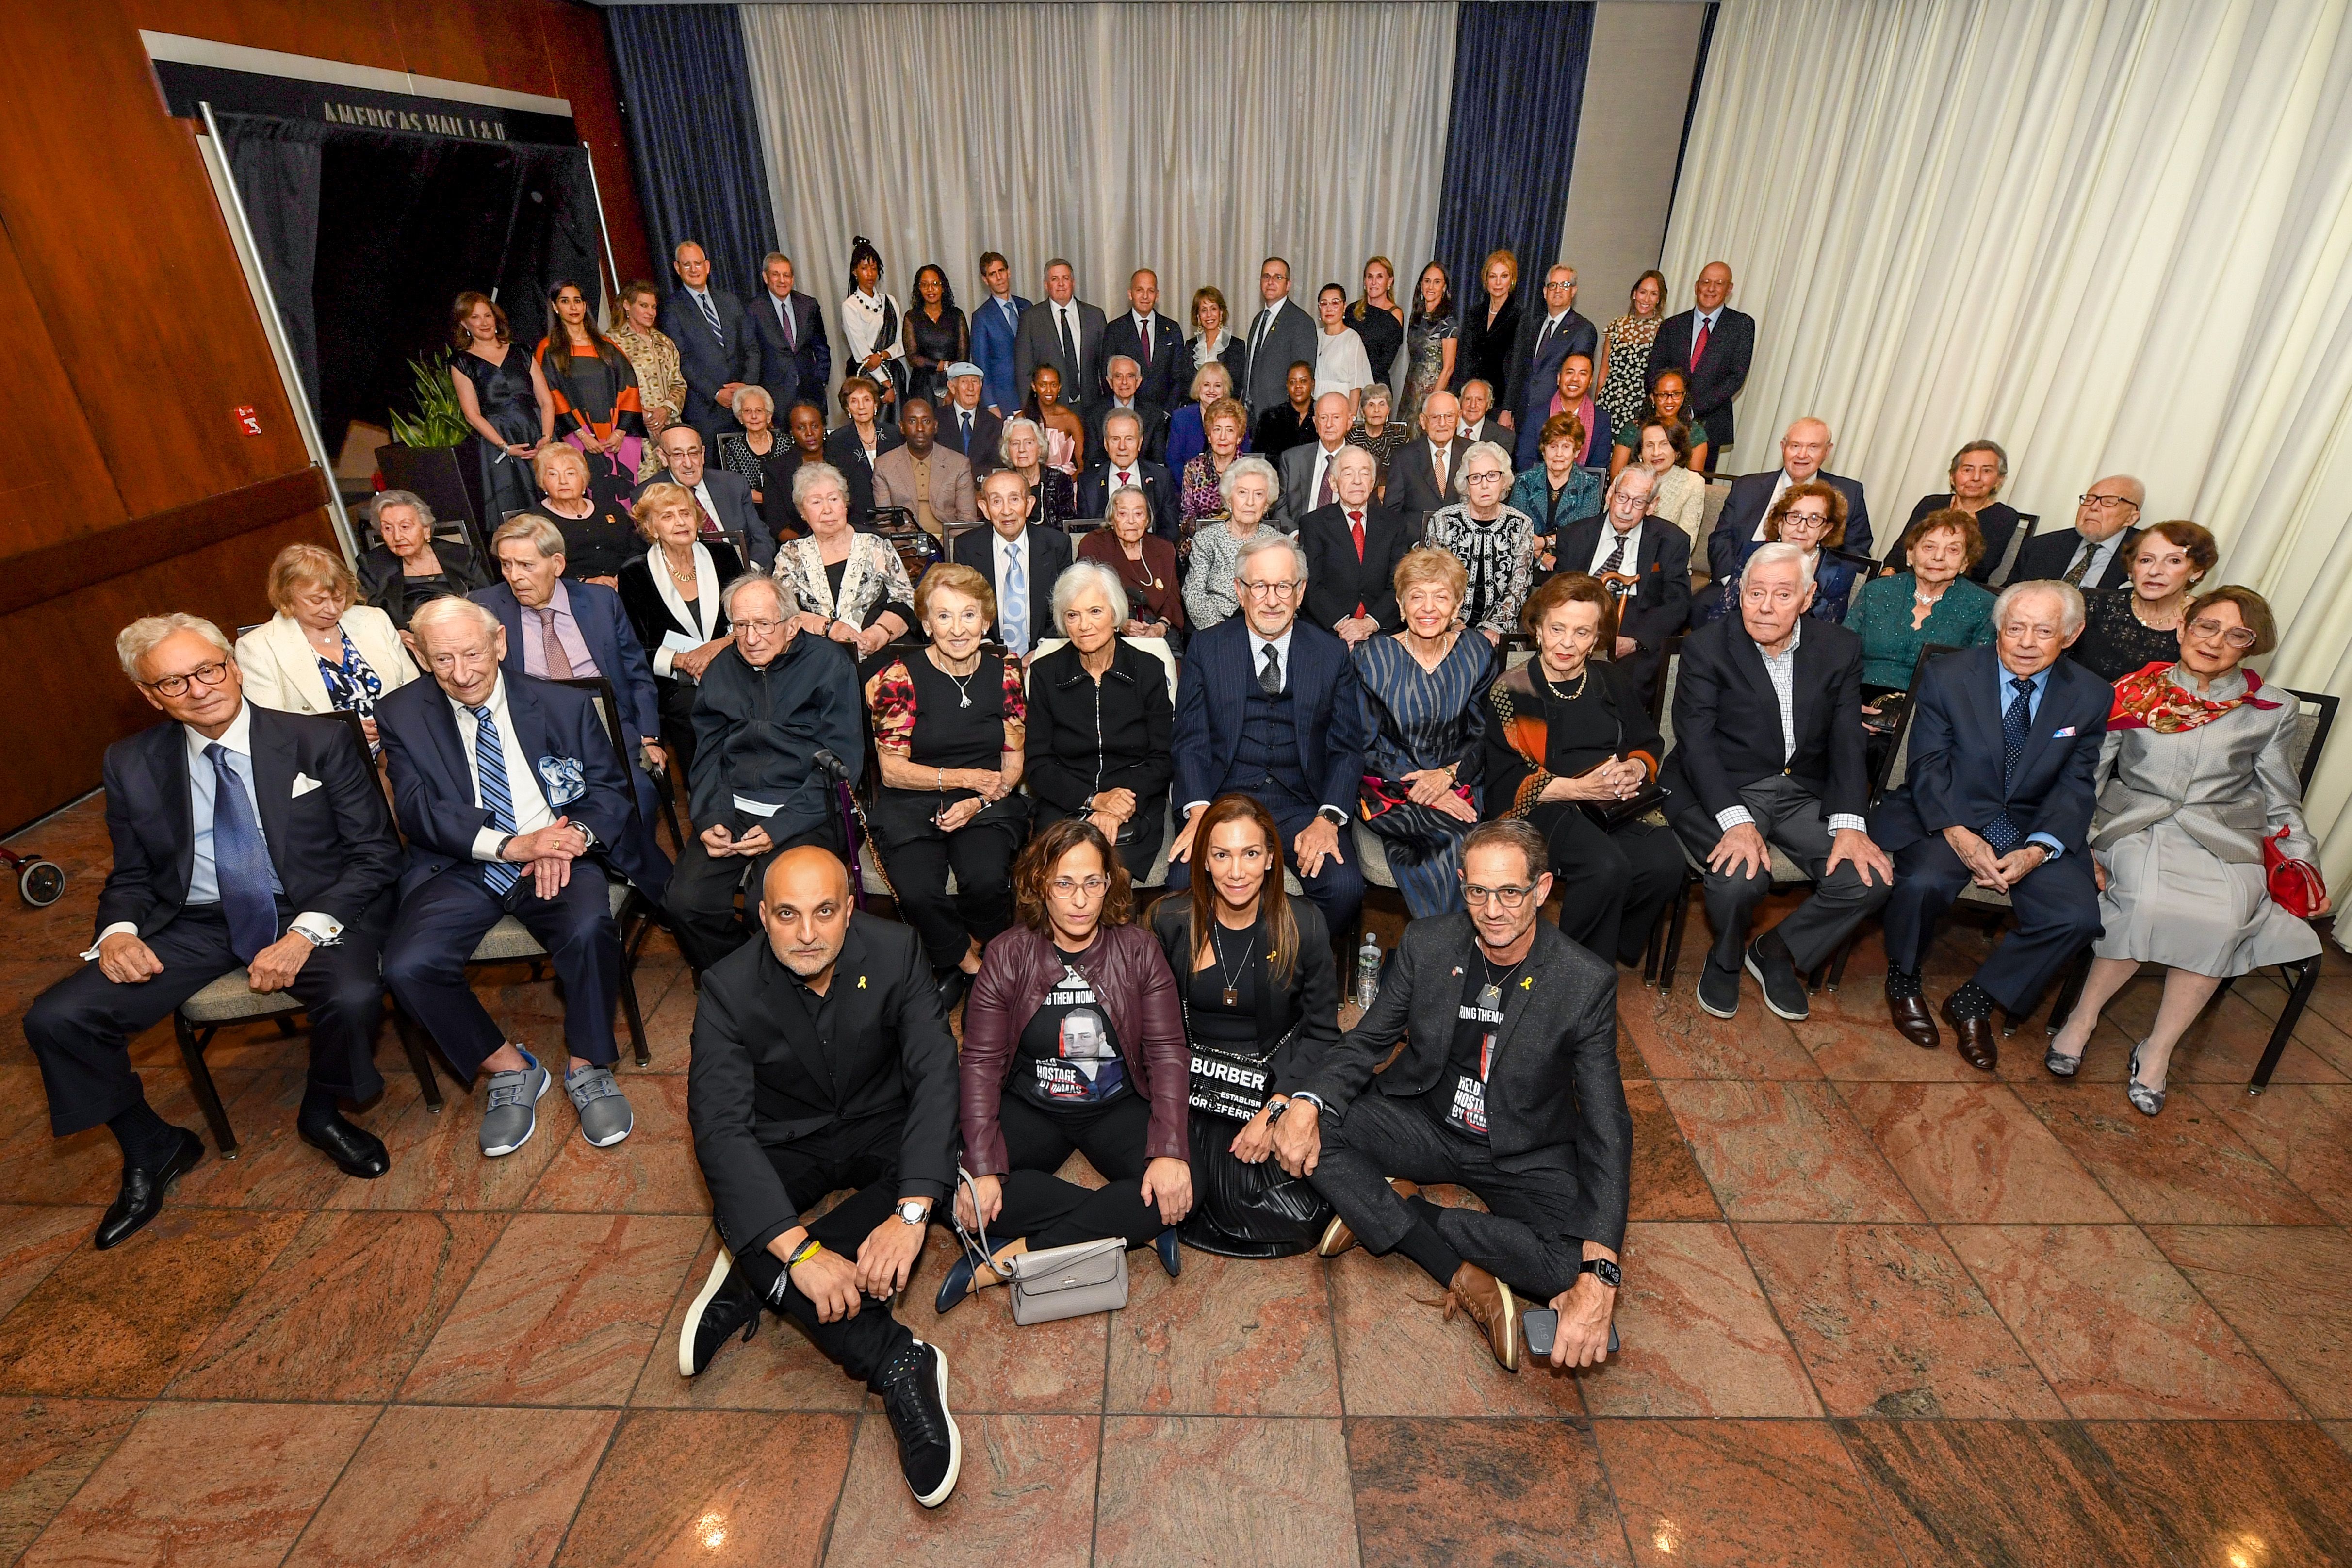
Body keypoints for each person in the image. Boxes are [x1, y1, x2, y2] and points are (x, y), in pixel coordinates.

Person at [24, 615, 403, 1248]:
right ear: (151, 696)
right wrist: (117, 931)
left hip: (309, 908)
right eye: (175, 682)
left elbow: (375, 854)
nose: (200, 689)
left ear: (232, 665)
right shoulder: (132, 762)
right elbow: (135, 872)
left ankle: (322, 1110)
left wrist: (304, 935)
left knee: (354, 994)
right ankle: (152, 1146)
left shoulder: (317, 741)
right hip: (195, 920)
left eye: (208, 669)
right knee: (57, 1018)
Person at [1278, 818, 1630, 1373]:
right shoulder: (1427, 942)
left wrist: (1603, 1268)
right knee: (1314, 1128)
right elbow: (1369, 1040)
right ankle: (1455, 1267)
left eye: (1511, 892)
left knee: (1569, 1265)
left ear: (1541, 890)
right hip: (1427, 1120)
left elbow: (1608, 1124)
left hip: (1521, 1149)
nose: (1493, 910)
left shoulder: (1581, 981)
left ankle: (1399, 1210)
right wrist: (1305, 1102)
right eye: (1478, 891)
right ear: (1462, 884)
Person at [679, 846, 961, 1507]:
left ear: (850, 910)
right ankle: (898, 1361)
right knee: (742, 1196)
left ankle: (755, 1275)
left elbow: (935, 1079)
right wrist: (801, 1251)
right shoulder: (725, 986)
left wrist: (912, 1215)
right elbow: (720, 1132)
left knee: (941, 1166)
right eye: (787, 915)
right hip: (787, 1143)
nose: (807, 934)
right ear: (761, 918)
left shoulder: (898, 952)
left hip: (876, 1128)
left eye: (825, 912)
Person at [379, 596, 672, 1158]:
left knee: (588, 929)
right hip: (464, 862)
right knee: (407, 965)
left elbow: (611, 792)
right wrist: (512, 845)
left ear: (500, 645)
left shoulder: (560, 703)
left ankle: (588, 1062)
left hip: (557, 852)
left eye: (471, 654)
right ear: (421, 658)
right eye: (442, 661)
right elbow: (416, 811)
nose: (461, 674)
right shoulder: (402, 713)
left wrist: (570, 839)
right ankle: (509, 1068)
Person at [2051, 588, 2326, 1111]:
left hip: (2224, 836)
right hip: (2136, 823)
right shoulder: (2132, 692)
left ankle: (2157, 1050)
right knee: (2145, 902)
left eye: (2236, 634)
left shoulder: (2271, 708)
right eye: (2206, 626)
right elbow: (2086, 776)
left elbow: (2279, 796)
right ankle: (2081, 1019)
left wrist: (2304, 864)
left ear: (2251, 646)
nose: (2216, 641)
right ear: (2182, 629)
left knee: (2223, 920)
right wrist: (2079, 841)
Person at [937, 818, 1191, 1307]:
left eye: (1093, 883)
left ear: (1108, 885)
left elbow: (1167, 1054)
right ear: (1040, 886)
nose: (1080, 900)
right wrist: (985, 1168)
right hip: (1033, 1104)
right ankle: (1135, 1226)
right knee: (953, 1178)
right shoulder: (1007, 954)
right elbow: (983, 1063)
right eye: (1065, 884)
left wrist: (1168, 1151)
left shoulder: (1139, 950)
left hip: (1116, 1103)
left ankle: (1004, 1262)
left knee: (1186, 1176)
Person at [1872, 581, 2110, 1070]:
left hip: (2034, 824)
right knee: (1923, 881)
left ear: (2070, 635)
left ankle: (1977, 998)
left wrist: (2040, 850)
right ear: (1999, 629)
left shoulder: (2090, 695)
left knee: (2078, 918)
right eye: (2015, 628)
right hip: (1953, 809)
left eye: (2043, 631)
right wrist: (1957, 832)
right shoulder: (1950, 674)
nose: (2025, 642)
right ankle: (1904, 976)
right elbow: (1928, 765)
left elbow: (2076, 784)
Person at [1662, 543, 1894, 1021]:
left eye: (1782, 594)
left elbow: (1848, 740)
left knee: (1867, 879)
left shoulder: (1839, 648)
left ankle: (1777, 950)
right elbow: (1697, 744)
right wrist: (1738, 822)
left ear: (1808, 597)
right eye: (1756, 593)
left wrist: (1852, 822)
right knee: (1740, 877)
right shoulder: (1707, 647)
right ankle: (1724, 958)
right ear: (1740, 594)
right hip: (1721, 785)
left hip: (1803, 789)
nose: (1766, 606)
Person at [1149, 793, 1339, 1257]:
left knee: (1306, 1194)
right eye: (1222, 854)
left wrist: (1277, 1109)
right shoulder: (1170, 920)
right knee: (1179, 1189)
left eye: (1251, 854)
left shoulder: (1306, 925)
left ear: (1272, 859)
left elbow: (1321, 1035)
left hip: (1274, 1078)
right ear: (1204, 860)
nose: (1237, 872)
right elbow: (1154, 1033)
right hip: (1193, 1082)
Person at [1169, 535, 1372, 935]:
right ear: (1240, 592)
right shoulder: (1206, 649)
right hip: (1223, 801)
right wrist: (1197, 814)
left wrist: (1328, 818)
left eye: (1284, 586)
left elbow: (1347, 749)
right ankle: (1224, 977)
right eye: (1260, 586)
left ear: (1301, 592)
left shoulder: (1331, 654)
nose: (1272, 599)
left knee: (1344, 887)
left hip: (1301, 805)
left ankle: (1286, 975)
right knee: (1182, 883)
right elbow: (1189, 741)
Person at [665, 575, 864, 973]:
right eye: (741, 626)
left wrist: (781, 827)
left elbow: (842, 763)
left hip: (806, 812)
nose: (751, 637)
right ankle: (740, 981)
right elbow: (707, 757)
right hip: (735, 809)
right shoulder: (722, 669)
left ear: (792, 626)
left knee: (773, 903)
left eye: (763, 624)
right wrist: (712, 819)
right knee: (685, 902)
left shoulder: (829, 665)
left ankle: (779, 990)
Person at [1485, 575, 1685, 966]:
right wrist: (1580, 790)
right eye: (1557, 628)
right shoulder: (1513, 690)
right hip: (1547, 803)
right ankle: (1574, 972)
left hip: (1613, 800)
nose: (1567, 643)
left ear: (1595, 640)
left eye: (1581, 632)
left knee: (1666, 864)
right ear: (1539, 630)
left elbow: (1648, 742)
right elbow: (1503, 782)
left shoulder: (1611, 679)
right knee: (1605, 867)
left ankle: (1613, 950)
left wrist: (1635, 767)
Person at [862, 563, 1029, 1000]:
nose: (958, 629)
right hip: (913, 796)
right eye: (944, 616)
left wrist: (977, 799)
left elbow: (1012, 763)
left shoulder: (1007, 672)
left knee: (987, 878)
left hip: (987, 798)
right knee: (917, 888)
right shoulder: (897, 679)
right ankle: (974, 966)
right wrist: (962, 777)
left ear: (987, 621)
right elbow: (892, 769)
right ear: (926, 623)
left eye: (969, 615)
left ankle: (962, 955)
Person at [471, 514, 666, 828]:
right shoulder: (485, 607)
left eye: (526, 565)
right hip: (533, 726)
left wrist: (649, 736)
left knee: (639, 798)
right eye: (507, 565)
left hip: (605, 719)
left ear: (557, 564)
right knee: (548, 809)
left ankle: (627, 870)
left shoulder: (601, 602)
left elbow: (636, 673)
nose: (514, 577)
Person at [1354, 549, 1496, 917]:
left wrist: (1448, 776)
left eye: (1441, 596)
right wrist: (1423, 790)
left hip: (1460, 780)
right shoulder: (1372, 657)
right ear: (1401, 605)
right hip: (1388, 787)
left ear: (1457, 605)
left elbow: (1485, 735)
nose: (1428, 608)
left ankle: (1446, 956)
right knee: (1456, 842)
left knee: (1480, 848)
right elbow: (1362, 744)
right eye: (1417, 596)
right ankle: (1442, 958)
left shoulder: (1477, 652)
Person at [1026, 562, 1174, 880]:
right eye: (1073, 615)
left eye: (1095, 611)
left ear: (1115, 614)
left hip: (1135, 800)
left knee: (1110, 883)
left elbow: (1162, 759)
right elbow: (1038, 765)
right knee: (1062, 878)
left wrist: (1119, 803)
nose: (1084, 626)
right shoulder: (1045, 673)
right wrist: (1095, 800)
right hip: (1065, 799)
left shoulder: (1148, 670)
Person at [615, 482, 742, 784]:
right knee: (693, 707)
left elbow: (752, 613)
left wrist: (722, 644)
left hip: (735, 660)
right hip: (678, 680)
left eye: (685, 513)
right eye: (668, 516)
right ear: (651, 527)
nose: (681, 522)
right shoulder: (635, 573)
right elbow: (634, 647)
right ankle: (706, 799)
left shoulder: (724, 556)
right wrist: (684, 660)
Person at [235, 544, 417, 744]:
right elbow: (272, 729)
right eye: (317, 600)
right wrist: (345, 733)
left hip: (400, 740)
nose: (332, 609)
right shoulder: (257, 648)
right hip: (329, 757)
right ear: (287, 596)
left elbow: (414, 691)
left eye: (338, 598)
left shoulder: (374, 620)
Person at [1550, 465, 1692, 708]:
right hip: (1578, 619)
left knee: (1627, 684)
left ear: (1652, 506)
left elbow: (1677, 603)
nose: (1626, 510)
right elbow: (1556, 592)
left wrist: (1636, 640)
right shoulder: (1574, 535)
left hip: (1637, 625)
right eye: (1622, 497)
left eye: (1638, 503)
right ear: (1610, 494)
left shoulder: (1672, 541)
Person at [1846, 508, 1997, 702]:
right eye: (1929, 547)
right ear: (1910, 555)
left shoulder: (1984, 606)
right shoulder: (1876, 592)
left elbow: (1976, 679)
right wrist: (1849, 707)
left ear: (1965, 562)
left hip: (1932, 711)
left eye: (1953, 550)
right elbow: (1843, 657)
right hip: (1858, 702)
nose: (1939, 557)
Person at [772, 463, 917, 655]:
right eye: (816, 502)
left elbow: (905, 598)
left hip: (881, 650)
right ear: (802, 512)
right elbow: (780, 612)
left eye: (833, 499)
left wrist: (879, 634)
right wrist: (828, 628)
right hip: (815, 656)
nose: (827, 510)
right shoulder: (791, 554)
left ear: (845, 504)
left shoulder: (876, 543)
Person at [1706, 417, 1874, 581]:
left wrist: (1813, 587)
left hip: (1807, 590)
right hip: (1740, 579)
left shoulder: (1849, 494)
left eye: (1813, 447)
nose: (1802, 455)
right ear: (1783, 447)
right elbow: (1720, 539)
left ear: (1827, 451)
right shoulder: (1747, 487)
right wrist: (1732, 582)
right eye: (1795, 446)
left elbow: (1857, 555)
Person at [1699, 481, 1864, 627]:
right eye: (1794, 516)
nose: (1801, 528)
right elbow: (1722, 613)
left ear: (1826, 530)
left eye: (1814, 519)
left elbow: (1827, 636)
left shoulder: (1839, 574)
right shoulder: (1753, 554)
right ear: (1780, 524)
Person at [536, 279, 649, 490]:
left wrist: (621, 432)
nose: (573, 307)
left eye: (577, 301)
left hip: (620, 438)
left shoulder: (607, 346)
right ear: (555, 307)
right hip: (579, 437)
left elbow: (630, 388)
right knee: (592, 494)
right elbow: (553, 395)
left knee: (628, 495)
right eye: (565, 301)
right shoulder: (548, 349)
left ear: (585, 305)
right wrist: (582, 435)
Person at [2072, 520, 2216, 682]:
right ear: (2131, 569)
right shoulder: (2092, 604)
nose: (2155, 571)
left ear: (2196, 572)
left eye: (2174, 561)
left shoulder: (2205, 625)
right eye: (2146, 560)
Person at [950, 469, 1073, 657]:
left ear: (1029, 504)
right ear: (984, 508)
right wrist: (988, 649)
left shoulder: (1056, 544)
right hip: (986, 657)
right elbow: (963, 609)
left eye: (1015, 499)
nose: (1007, 511)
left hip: (1047, 655)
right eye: (997, 501)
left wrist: (1043, 650)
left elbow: (1068, 606)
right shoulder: (967, 547)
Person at [449, 291, 550, 519]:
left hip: (537, 436)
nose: (484, 323)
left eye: (488, 316)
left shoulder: (522, 352)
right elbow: (472, 415)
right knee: (514, 512)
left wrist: (547, 438)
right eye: (475, 318)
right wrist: (505, 447)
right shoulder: (461, 362)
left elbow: (546, 401)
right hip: (498, 443)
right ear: (465, 323)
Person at [1421, 441, 1536, 641]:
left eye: (1492, 476)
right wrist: (1455, 623)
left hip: (1500, 633)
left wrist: (1494, 628)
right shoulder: (1442, 522)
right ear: (1466, 485)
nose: (1484, 485)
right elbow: (1434, 583)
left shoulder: (1521, 525)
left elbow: (1519, 587)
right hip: (1445, 628)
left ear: (1504, 481)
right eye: (1476, 478)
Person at [1643, 260, 1754, 462]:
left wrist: (1692, 410)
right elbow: (1654, 372)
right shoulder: (1672, 326)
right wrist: (1669, 408)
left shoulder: (1742, 326)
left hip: (1710, 424)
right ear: (1696, 287)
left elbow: (1736, 376)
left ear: (1729, 289)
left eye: (1719, 283)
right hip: (1664, 424)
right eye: (1706, 282)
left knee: (1700, 488)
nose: (1711, 289)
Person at [1300, 447, 1414, 644]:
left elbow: (1399, 584)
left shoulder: (1394, 524)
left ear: (1372, 483)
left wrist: (1368, 624)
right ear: (1334, 484)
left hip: (1381, 629)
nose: (1357, 481)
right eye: (1348, 473)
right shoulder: (1313, 524)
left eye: (1364, 473)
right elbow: (1311, 586)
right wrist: (1343, 625)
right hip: (1330, 629)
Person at [641, 424, 775, 571]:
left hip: (744, 573)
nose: (688, 464)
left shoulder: (733, 484)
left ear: (703, 453)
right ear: (663, 457)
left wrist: (750, 571)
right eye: (678, 455)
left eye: (694, 453)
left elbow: (762, 538)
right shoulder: (648, 495)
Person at [659, 240, 758, 438]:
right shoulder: (671, 309)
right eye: (687, 265)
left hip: (745, 405)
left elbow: (752, 348)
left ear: (708, 266)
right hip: (705, 410)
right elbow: (681, 359)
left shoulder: (730, 301)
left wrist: (746, 387)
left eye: (698, 263)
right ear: (677, 269)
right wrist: (716, 393)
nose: (694, 269)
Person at [1886, 440, 2021, 583]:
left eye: (1986, 471)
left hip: (1959, 590)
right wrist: (1887, 575)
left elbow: (1981, 569)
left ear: (1999, 480)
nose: (1976, 478)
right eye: (1968, 470)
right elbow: (1901, 550)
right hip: (1908, 581)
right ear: (1952, 477)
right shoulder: (1931, 504)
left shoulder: (2004, 517)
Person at [1183, 456, 1289, 631]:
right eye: (1242, 493)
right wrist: (1219, 629)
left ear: (1266, 504)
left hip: (1266, 626)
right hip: (1217, 626)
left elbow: (1286, 594)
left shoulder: (1277, 543)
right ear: (1229, 500)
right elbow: (1194, 593)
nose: (1250, 502)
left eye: (1259, 494)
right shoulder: (1207, 539)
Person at [359, 490, 489, 631]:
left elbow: (487, 603)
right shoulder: (372, 565)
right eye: (388, 528)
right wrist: (399, 636)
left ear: (426, 529)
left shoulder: (464, 556)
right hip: (409, 643)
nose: (397, 537)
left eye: (405, 527)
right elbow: (368, 619)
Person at [1080, 485, 1186, 646]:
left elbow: (1173, 598)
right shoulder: (1094, 545)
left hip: (1158, 632)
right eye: (1123, 514)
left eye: (1138, 513)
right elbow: (1086, 596)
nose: (1131, 521)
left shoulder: (1163, 548)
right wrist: (1119, 623)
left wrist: (1161, 627)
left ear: (1147, 519)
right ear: (1112, 518)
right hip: (1108, 631)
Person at [2009, 474, 2144, 592]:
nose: (2093, 507)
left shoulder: (2147, 554)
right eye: (2089, 500)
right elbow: (2008, 594)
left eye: (2109, 502)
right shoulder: (2040, 547)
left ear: (2131, 518)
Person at [1509, 265, 1597, 444]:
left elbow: (1576, 379)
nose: (1558, 290)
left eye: (1564, 285)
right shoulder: (1532, 325)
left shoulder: (1583, 329)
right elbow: (1518, 369)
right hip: (1522, 417)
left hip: (1556, 418)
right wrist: (1508, 410)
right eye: (1553, 285)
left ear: (1573, 291)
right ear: (1544, 292)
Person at [533, 442, 640, 586]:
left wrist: (623, 577)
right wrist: (585, 582)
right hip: (573, 593)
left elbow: (637, 547)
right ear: (542, 482)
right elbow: (537, 567)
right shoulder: (535, 521)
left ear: (584, 479)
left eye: (571, 473)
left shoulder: (612, 509)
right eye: (553, 474)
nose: (563, 481)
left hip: (626, 585)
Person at [873, 397, 978, 541]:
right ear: (902, 427)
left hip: (949, 544)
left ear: (935, 426)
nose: (920, 428)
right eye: (912, 421)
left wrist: (942, 547)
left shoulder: (959, 464)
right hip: (905, 545)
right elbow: (885, 523)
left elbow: (967, 520)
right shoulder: (884, 465)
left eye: (926, 421)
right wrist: (906, 549)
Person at [1508, 413, 1602, 568]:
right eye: (1553, 447)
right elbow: (1515, 528)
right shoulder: (1525, 481)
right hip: (1526, 559)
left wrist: (1545, 541)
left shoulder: (1588, 486)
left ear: (1577, 452)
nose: (1559, 454)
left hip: (1570, 562)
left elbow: (1584, 535)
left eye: (1566, 447)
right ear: (1544, 450)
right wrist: (1543, 557)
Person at [1014, 258, 1106, 415]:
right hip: (1050, 410)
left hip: (1093, 409)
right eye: (1055, 279)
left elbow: (1106, 366)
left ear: (1073, 283)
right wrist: (1031, 411)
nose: (1061, 284)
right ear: (1046, 285)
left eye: (1066, 278)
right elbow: (1024, 371)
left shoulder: (1095, 316)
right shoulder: (1031, 319)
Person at [715, 384, 799, 544]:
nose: (754, 416)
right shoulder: (734, 448)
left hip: (788, 512)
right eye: (747, 411)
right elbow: (740, 490)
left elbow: (795, 484)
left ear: (769, 416)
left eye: (759, 411)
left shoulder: (786, 442)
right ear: (740, 418)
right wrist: (774, 498)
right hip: (754, 514)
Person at [749, 252, 831, 416]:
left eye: (786, 275)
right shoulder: (753, 310)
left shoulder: (809, 305)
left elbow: (821, 348)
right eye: (776, 275)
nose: (782, 280)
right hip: (775, 398)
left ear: (792, 279)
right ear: (766, 277)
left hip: (811, 394)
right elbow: (752, 355)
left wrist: (821, 380)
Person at [1077, 408, 1176, 539]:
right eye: (1115, 439)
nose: (1122, 447)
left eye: (1129, 439)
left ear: (1140, 443)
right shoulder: (1088, 482)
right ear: (1106, 444)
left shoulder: (1162, 478)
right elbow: (1085, 535)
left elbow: (1170, 532)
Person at [1241, 256, 1320, 417]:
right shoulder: (1258, 320)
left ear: (1288, 285)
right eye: (1266, 277)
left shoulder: (1301, 322)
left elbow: (1303, 376)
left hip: (1282, 417)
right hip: (1252, 415)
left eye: (1278, 277)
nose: (1271, 282)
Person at [607, 279, 686, 439]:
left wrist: (665, 410)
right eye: (644, 306)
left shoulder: (664, 342)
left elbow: (679, 383)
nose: (651, 312)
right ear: (627, 305)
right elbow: (610, 388)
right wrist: (642, 413)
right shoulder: (613, 342)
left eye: (654, 307)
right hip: (635, 429)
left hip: (669, 424)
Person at [822, 376, 906, 525]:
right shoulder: (837, 441)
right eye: (854, 401)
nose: (861, 407)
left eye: (867, 400)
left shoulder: (895, 434)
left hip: (895, 513)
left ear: (875, 404)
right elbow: (836, 485)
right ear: (847, 408)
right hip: (857, 517)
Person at [1177, 396, 1252, 561]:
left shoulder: (1250, 471)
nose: (1223, 437)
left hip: (1241, 547)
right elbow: (1186, 519)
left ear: (1239, 437)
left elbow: (1256, 516)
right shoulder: (1193, 468)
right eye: (1217, 429)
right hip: (1200, 546)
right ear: (1209, 435)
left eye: (1230, 430)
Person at [839, 236, 908, 415]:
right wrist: (887, 385)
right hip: (867, 380)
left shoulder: (890, 301)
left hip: (893, 373)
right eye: (864, 268)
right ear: (855, 272)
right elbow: (863, 354)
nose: (870, 274)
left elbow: (902, 343)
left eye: (874, 268)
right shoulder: (850, 306)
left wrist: (883, 355)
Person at [1594, 269, 1666, 438]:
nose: (1646, 299)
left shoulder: (1665, 330)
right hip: (1609, 402)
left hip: (1640, 408)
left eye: (1653, 294)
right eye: (1643, 292)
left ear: (1659, 299)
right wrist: (1598, 407)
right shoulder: (1616, 326)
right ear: (1635, 294)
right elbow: (1604, 370)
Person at [1099, 268, 1184, 410]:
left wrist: (1168, 413)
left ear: (1157, 296)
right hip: (1126, 415)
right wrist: (1122, 410)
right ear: (1130, 294)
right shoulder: (1115, 329)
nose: (1145, 296)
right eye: (1140, 290)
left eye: (1151, 291)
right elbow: (1107, 376)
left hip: (1164, 416)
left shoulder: (1172, 328)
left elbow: (1179, 377)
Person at [1386, 390, 1472, 525]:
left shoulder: (1473, 453)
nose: (1442, 423)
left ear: (1458, 418)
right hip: (1417, 544)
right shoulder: (1403, 458)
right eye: (1435, 417)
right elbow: (1392, 514)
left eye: (1449, 416)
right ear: (1423, 420)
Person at [1453, 250, 1524, 410]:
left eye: (1504, 276)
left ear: (1512, 280)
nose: (1498, 282)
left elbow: (1517, 368)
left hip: (1499, 401)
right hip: (1469, 398)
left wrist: (1508, 409)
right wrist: (1458, 396)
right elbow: (1463, 358)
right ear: (1486, 280)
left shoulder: (1520, 315)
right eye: (1493, 277)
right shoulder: (1475, 313)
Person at [1605, 368, 1708, 478]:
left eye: (1676, 394)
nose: (1670, 401)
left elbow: (1695, 481)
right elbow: (1616, 477)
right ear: (1653, 398)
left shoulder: (1695, 433)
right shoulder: (1634, 429)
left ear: (1683, 397)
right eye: (1663, 395)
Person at [1278, 392, 1357, 527]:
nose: (1329, 425)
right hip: (1300, 540)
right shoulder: (1292, 459)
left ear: (1349, 422)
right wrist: (1296, 535)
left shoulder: (1362, 462)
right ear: (1315, 423)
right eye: (1323, 418)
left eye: (1336, 417)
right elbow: (1280, 507)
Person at [968, 251, 1032, 417]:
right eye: (992, 274)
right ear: (985, 279)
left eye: (1001, 271)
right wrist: (991, 403)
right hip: (1003, 400)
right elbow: (981, 364)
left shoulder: (1027, 307)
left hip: (1032, 395)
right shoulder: (981, 317)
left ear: (1009, 272)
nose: (999, 278)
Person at [1624, 416, 1706, 544]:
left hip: (1668, 560)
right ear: (1640, 453)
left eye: (1664, 444)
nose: (1656, 453)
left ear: (1677, 451)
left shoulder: (1693, 483)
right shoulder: (1626, 478)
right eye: (1650, 446)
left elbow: (1686, 543)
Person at [1525, 353, 1611, 471]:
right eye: (1570, 372)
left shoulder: (1602, 420)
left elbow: (1598, 468)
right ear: (1559, 378)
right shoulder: (1536, 415)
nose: (1575, 379)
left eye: (1583, 374)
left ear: (1590, 381)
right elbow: (1525, 461)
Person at [1399, 262, 1459, 431]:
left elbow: (1449, 368)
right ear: (1421, 285)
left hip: (1434, 393)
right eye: (1427, 281)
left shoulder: (1449, 323)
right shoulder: (1416, 319)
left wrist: (1432, 402)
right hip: (1411, 391)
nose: (1431, 287)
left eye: (1437, 282)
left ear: (1444, 287)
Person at [1164, 360, 1246, 479]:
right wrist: (1194, 485)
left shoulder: (1237, 416)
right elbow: (1173, 461)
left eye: (1218, 386)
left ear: (1225, 390)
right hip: (1189, 486)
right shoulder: (1181, 417)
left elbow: (1244, 459)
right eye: (1206, 385)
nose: (1211, 390)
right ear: (1198, 388)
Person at [901, 262, 968, 407]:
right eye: (925, 285)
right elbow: (912, 358)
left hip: (954, 384)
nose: (930, 289)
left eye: (935, 284)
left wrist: (953, 390)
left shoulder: (957, 315)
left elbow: (963, 357)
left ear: (943, 287)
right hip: (922, 387)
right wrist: (941, 365)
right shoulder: (912, 317)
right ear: (919, 289)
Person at [996, 416, 1077, 533]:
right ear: (1007, 450)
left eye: (1029, 443)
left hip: (1051, 547)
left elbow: (1068, 527)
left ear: (1040, 448)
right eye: (1015, 444)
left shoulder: (1060, 480)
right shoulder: (1000, 484)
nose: (1022, 449)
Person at [1085, 355, 1167, 465]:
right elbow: (1092, 460)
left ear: (1138, 382)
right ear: (1110, 382)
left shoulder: (1155, 415)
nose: (1124, 382)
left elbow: (1158, 461)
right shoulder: (1094, 415)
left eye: (1130, 376)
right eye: (1118, 376)